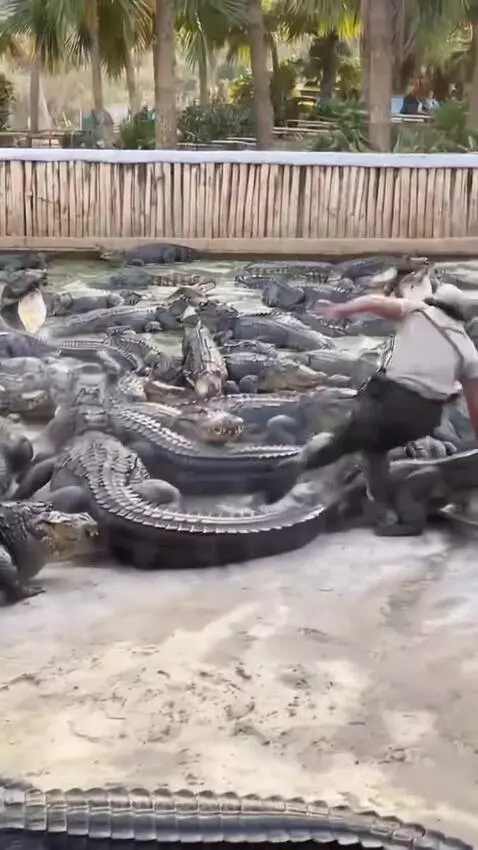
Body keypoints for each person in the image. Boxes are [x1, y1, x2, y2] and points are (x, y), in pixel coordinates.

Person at [300, 283, 478, 536]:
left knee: (356, 447)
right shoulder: (468, 351)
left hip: (395, 404)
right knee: (375, 450)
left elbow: (375, 301)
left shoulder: (418, 311)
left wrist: (341, 309)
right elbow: (475, 408)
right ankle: (382, 504)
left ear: (435, 302)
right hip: (426, 416)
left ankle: (296, 476)